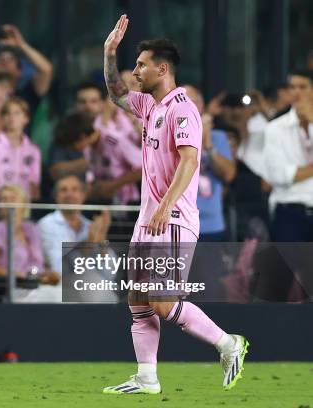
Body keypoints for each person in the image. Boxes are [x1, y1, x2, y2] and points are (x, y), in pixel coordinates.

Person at [101, 15, 247, 395]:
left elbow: (189, 160)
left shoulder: (183, 109)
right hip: (149, 218)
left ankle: (227, 343)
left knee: (163, 302)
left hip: (173, 217)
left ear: (162, 68)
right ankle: (147, 377)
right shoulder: (152, 107)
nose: (135, 72)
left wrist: (166, 205)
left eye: (141, 65)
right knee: (138, 298)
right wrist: (109, 52)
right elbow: (115, 92)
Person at [0, 185, 60, 302]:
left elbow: (37, 265)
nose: (7, 203)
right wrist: (18, 274)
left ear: (24, 204)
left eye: (12, 199)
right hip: (16, 288)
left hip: (39, 284)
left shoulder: (32, 228)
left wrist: (48, 274)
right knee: (58, 297)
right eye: (3, 199)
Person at [263, 69, 313, 242]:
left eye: (303, 87)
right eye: (293, 87)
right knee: (286, 270)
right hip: (289, 214)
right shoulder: (274, 128)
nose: (297, 92)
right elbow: (278, 176)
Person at [183, 85, 236, 241]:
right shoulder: (166, 136)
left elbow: (228, 175)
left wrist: (209, 146)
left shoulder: (218, 137)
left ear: (201, 106)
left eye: (192, 101)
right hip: (177, 225)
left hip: (211, 225)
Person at [38, 174, 111, 274]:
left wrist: (102, 239)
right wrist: (89, 243)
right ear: (56, 197)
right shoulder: (47, 224)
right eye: (64, 190)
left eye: (75, 189)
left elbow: (108, 274)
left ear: (83, 196)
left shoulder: (90, 226)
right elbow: (58, 269)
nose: (69, 194)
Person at [48, 112, 98, 182]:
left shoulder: (107, 141)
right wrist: (90, 160)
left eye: (72, 147)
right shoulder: (62, 141)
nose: (71, 149)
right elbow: (54, 172)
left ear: (82, 137)